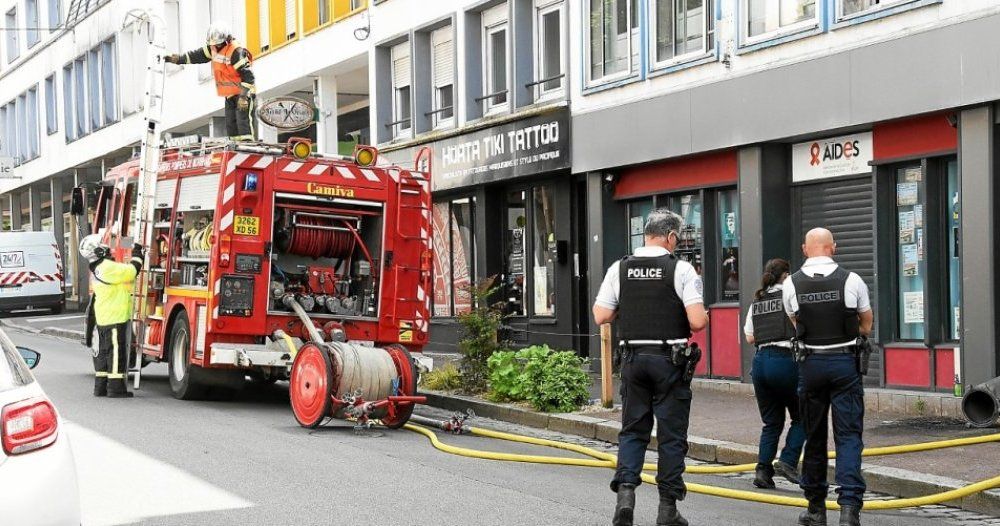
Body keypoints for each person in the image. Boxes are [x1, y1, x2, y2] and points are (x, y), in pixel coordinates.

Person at [593, 208, 709, 526]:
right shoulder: (681, 270)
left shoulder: (620, 268)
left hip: (632, 360)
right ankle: (667, 510)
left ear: (645, 235)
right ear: (671, 237)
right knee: (671, 437)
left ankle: (626, 496)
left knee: (633, 431)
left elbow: (601, 315)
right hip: (669, 362)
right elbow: (697, 322)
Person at [782, 228, 873, 526]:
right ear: (833, 247)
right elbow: (866, 324)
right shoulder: (852, 280)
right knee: (848, 437)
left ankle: (816, 509)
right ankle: (849, 510)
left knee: (814, 436)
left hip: (811, 364)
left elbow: (795, 322)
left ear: (804, 249)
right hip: (845, 363)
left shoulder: (791, 284)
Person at [743, 258, 804, 489]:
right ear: (786, 275)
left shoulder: (757, 301)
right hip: (786, 361)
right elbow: (801, 326)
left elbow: (749, 337)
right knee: (804, 416)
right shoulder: (790, 296)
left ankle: (762, 471)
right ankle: (787, 461)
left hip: (760, 363)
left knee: (771, 422)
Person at [165, 23, 256, 140]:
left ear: (227, 40)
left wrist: (243, 97)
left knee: (243, 123)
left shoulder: (236, 52)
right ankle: (236, 148)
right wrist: (178, 59)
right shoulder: (213, 48)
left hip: (243, 93)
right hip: (230, 94)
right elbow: (196, 56)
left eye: (218, 44)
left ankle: (247, 146)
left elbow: (249, 76)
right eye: (213, 44)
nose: (215, 47)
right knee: (231, 126)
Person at [79, 234, 145, 399]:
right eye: (102, 244)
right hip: (114, 316)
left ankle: (100, 388)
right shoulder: (107, 266)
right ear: (99, 250)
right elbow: (131, 271)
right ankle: (116, 389)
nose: (106, 246)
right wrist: (138, 254)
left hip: (104, 316)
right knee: (115, 352)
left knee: (103, 353)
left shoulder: (97, 267)